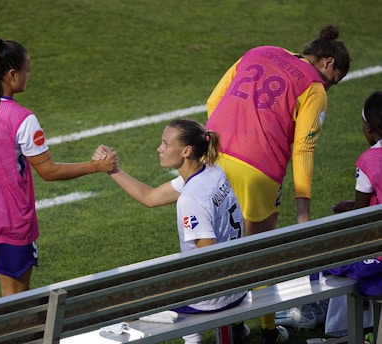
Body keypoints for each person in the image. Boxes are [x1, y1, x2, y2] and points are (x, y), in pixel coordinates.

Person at [0, 38, 117, 311]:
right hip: (9, 223)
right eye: (27, 70)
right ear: (11, 74)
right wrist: (95, 167)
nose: (29, 75)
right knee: (15, 295)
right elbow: (48, 171)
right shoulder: (20, 118)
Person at [205, 25, 351, 343]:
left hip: (213, 155)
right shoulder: (314, 87)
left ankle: (229, 329)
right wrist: (302, 210)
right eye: (334, 79)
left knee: (221, 245)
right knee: (261, 252)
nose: (330, 87)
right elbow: (303, 148)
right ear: (327, 63)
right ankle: (269, 331)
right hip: (259, 168)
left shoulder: (258, 51)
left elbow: (213, 101)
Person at [94, 119, 249, 344]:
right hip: (237, 286)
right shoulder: (212, 172)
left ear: (186, 151)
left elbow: (209, 257)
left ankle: (193, 338)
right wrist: (113, 170)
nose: (160, 148)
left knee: (125, 300)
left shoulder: (191, 198)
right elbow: (150, 197)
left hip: (212, 297)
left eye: (166, 144)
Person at [324, 91, 382, 339]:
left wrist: (353, 207)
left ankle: (339, 328)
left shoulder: (370, 159)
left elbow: (360, 219)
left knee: (332, 255)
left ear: (369, 129)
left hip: (378, 257)